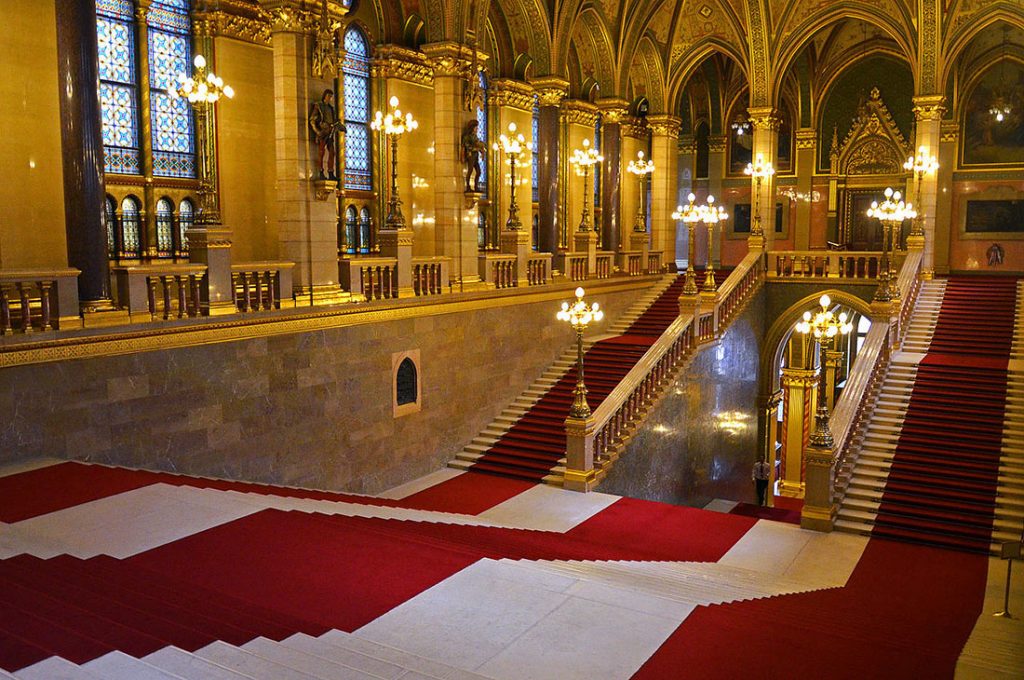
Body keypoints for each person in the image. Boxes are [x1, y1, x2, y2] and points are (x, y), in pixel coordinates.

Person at [309, 90, 345, 180]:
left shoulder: (331, 108)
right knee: (321, 152)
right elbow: (312, 120)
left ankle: (331, 172)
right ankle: (320, 171)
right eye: (328, 96)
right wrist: (317, 131)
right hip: (323, 132)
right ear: (325, 95)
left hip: (330, 131)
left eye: (331, 96)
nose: (330, 98)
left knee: (332, 152)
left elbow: (334, 120)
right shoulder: (319, 106)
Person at [461, 119, 487, 192]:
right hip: (470, 155)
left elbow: (478, 143)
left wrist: (482, 148)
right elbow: (467, 146)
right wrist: (476, 148)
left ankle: (476, 187)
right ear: (472, 127)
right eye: (476, 127)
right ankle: (468, 186)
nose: (477, 129)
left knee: (478, 171)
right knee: (470, 170)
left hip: (475, 156)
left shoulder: (475, 136)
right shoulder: (467, 136)